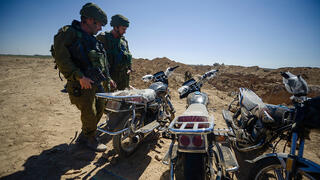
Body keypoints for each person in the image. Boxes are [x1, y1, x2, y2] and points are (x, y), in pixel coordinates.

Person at [52, 2, 115, 152]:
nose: (100, 28)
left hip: (96, 82)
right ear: (89, 20)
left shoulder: (93, 39)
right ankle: (90, 140)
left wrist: (109, 78)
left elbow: (102, 61)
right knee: (89, 112)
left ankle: (86, 134)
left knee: (100, 108)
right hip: (80, 83)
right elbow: (62, 59)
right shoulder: (69, 33)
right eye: (99, 24)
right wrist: (79, 76)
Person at [97, 14, 132, 90]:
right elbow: (98, 61)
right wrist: (107, 79)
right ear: (116, 27)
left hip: (123, 80)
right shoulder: (103, 38)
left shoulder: (124, 41)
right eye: (123, 29)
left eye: (125, 29)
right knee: (110, 101)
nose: (125, 32)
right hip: (110, 80)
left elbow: (128, 56)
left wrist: (129, 68)